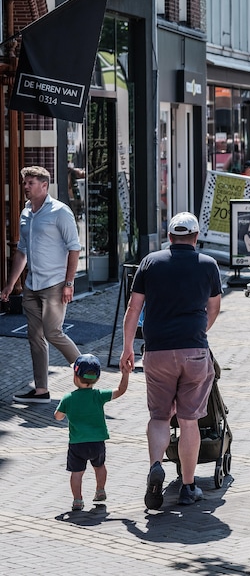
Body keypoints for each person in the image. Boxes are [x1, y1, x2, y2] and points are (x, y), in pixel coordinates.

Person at [121, 211, 223, 509]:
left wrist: (127, 347)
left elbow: (133, 307)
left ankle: (156, 464)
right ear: (196, 237)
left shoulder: (150, 262)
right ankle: (189, 487)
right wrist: (199, 332)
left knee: (159, 416)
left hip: (157, 351)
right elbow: (214, 307)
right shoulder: (208, 265)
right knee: (189, 419)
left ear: (169, 238)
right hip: (193, 350)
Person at [2, 166, 83, 404]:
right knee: (34, 336)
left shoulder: (60, 211)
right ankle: (41, 391)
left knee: (53, 332)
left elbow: (74, 248)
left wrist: (69, 282)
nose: (25, 186)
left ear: (44, 185)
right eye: (24, 182)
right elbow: (22, 252)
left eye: (30, 183)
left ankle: (88, 373)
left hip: (55, 284)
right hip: (32, 285)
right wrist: (10, 285)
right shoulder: (26, 212)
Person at [55, 354, 129, 511]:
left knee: (77, 473)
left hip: (77, 444)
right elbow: (120, 390)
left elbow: (58, 416)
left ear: (75, 376)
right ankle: (100, 490)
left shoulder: (68, 398)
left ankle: (77, 500)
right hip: (97, 442)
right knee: (100, 466)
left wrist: (65, 413)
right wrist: (125, 374)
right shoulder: (98, 395)